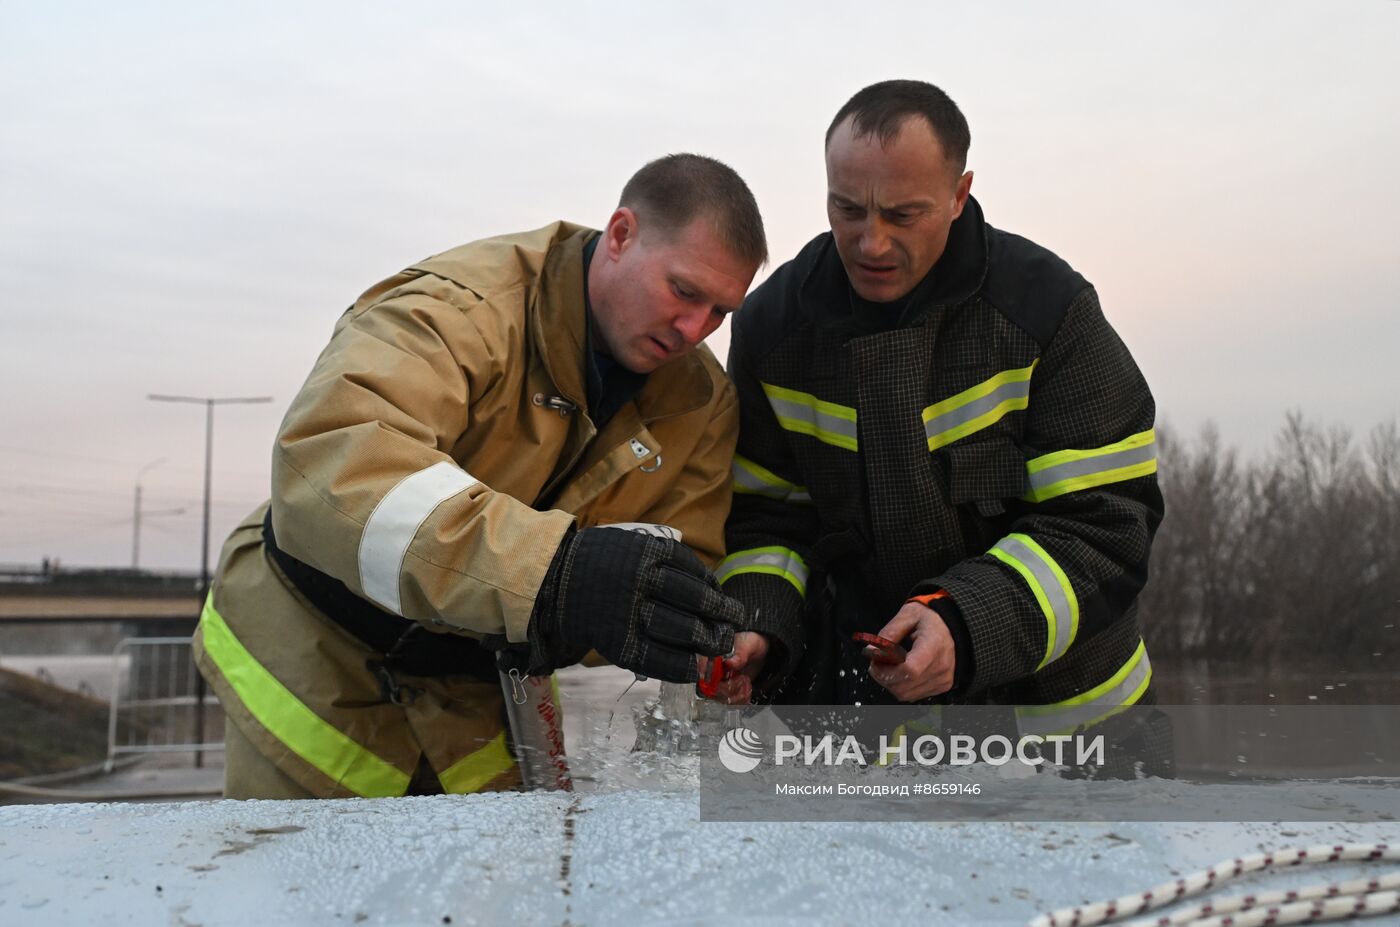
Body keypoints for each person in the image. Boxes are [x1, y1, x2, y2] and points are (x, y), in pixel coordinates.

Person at [192, 154, 768, 798]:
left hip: (482, 697)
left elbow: (666, 567)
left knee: (487, 893)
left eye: (721, 312)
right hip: (315, 669)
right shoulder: (461, 308)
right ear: (621, 234)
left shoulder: (702, 400)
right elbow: (332, 464)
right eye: (684, 292)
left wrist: (694, 631)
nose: (695, 330)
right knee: (298, 891)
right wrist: (550, 574)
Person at [717, 80, 1167, 752]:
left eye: (903, 214)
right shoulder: (772, 328)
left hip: (1075, 730)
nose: (870, 242)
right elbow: (764, 519)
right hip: (876, 735)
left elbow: (1106, 524)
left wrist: (963, 621)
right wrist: (758, 621)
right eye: (847, 208)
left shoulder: (1049, 312)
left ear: (959, 195)